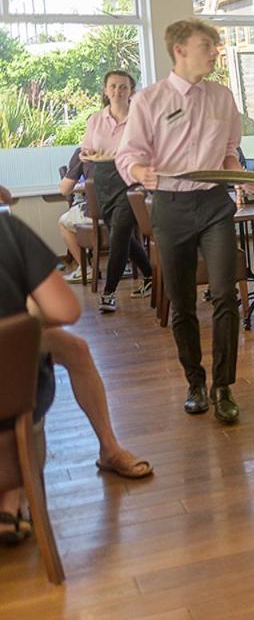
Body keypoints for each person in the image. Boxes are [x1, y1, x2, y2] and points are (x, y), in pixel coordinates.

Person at [116, 19, 247, 424]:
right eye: (206, 45)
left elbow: (229, 151)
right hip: (170, 206)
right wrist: (140, 172)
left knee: (225, 293)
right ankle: (195, 382)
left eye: (215, 46)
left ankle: (223, 386)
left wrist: (240, 175)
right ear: (180, 50)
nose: (214, 52)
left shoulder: (222, 97)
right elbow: (128, 155)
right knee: (182, 300)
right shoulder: (149, 100)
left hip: (214, 203)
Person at [0, 211, 151, 544]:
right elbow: (65, 311)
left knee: (74, 349)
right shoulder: (7, 230)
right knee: (27, 371)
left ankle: (109, 449)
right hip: (12, 408)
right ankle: (11, 498)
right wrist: (26, 315)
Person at [83, 70, 154, 312]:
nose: (118, 91)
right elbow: (87, 149)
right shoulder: (95, 119)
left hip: (131, 179)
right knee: (120, 235)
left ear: (131, 90)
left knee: (120, 233)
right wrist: (88, 153)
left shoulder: (140, 118)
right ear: (105, 90)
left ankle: (109, 292)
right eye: (113, 86)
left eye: (123, 86)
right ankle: (151, 276)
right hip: (104, 180)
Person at [56, 147, 87, 283]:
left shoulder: (83, 152)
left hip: (94, 213)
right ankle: (127, 265)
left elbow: (64, 189)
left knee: (63, 222)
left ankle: (85, 269)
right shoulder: (125, 148)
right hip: (126, 210)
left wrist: (82, 186)